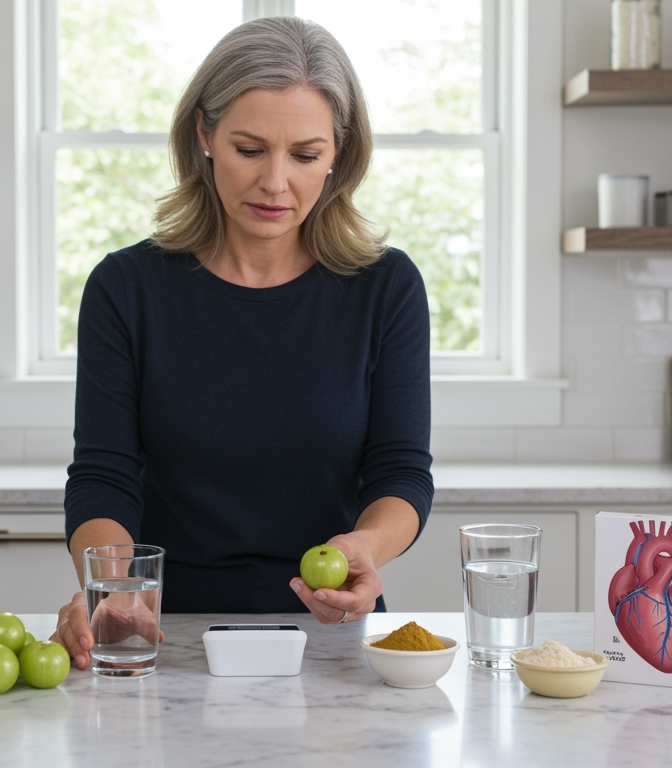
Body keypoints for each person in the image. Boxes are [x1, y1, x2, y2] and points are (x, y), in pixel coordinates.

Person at [51, 16, 434, 671]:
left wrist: (366, 546)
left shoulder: (385, 286)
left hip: (333, 636)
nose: (275, 182)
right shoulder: (126, 288)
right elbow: (103, 476)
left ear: (339, 151)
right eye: (250, 149)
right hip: (168, 637)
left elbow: (400, 470)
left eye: (305, 155)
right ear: (204, 133)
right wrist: (113, 587)